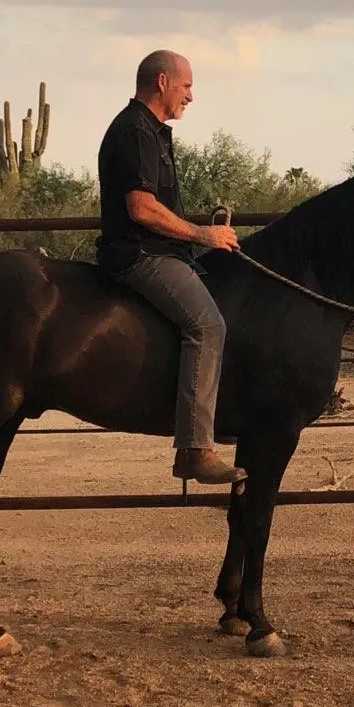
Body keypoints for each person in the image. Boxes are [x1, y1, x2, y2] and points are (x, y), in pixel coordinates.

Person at [96, 49, 246, 486]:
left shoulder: (152, 131)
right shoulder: (135, 132)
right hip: (140, 254)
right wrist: (204, 236)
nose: (191, 97)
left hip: (160, 251)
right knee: (206, 326)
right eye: (187, 86)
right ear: (162, 82)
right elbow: (141, 209)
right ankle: (195, 449)